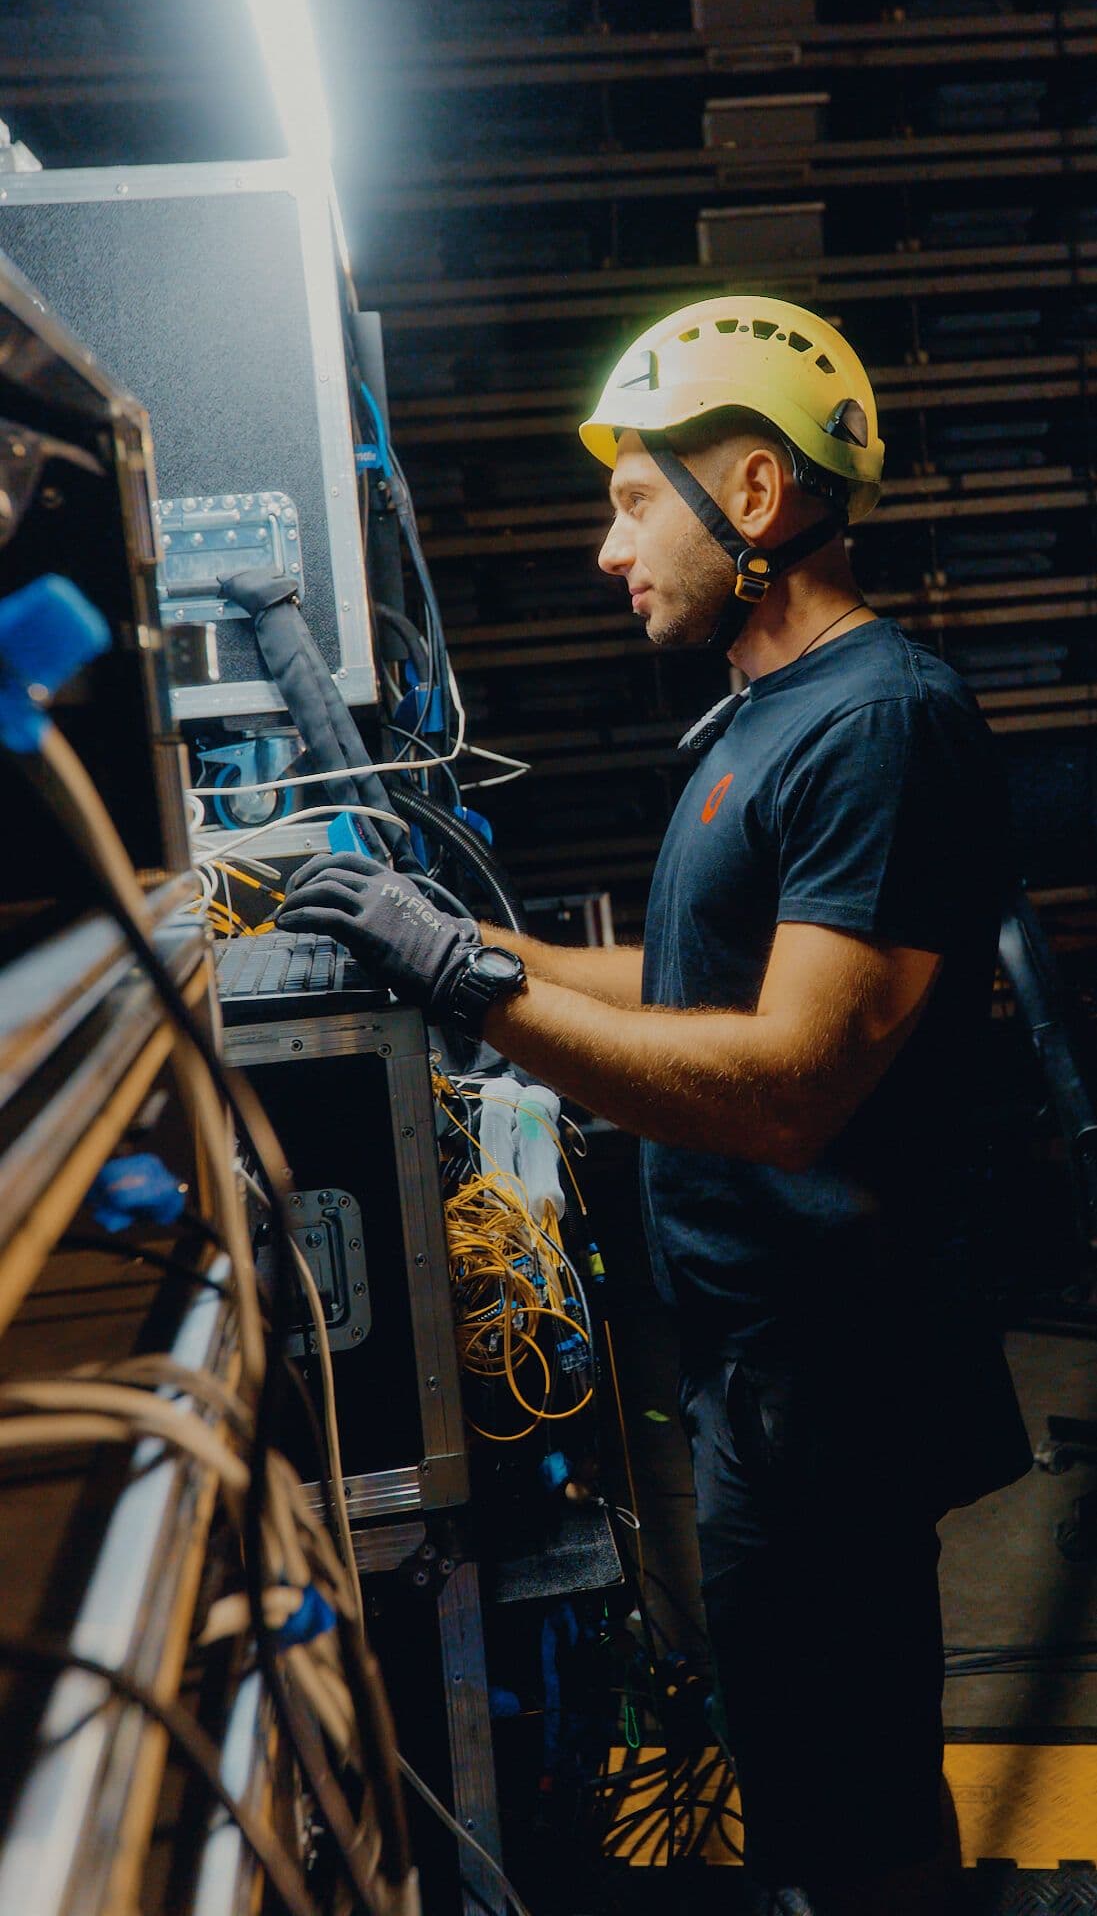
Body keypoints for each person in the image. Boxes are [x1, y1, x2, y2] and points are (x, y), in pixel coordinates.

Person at [277, 296, 1032, 1914]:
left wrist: (478, 993)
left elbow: (788, 1087)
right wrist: (469, 946)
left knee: (852, 1799)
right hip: (763, 1363)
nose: (609, 548)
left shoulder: (878, 725)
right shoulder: (772, 716)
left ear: (751, 493)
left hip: (835, 1375)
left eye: (632, 502)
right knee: (806, 1769)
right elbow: (693, 988)